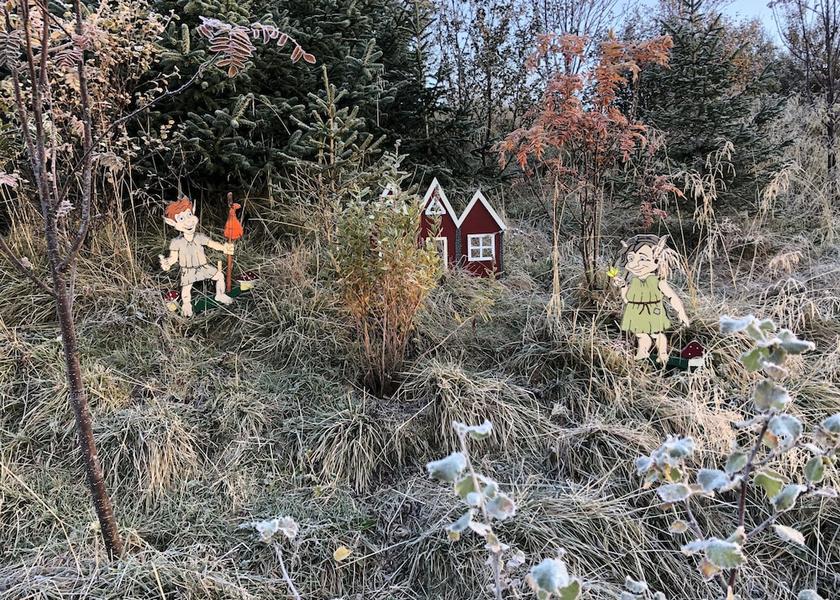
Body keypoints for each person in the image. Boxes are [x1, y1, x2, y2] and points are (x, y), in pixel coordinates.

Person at [612, 234, 690, 362]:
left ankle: (663, 354)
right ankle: (642, 352)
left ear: (657, 259)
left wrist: (681, 312)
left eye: (643, 259)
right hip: (635, 311)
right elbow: (627, 299)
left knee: (657, 333)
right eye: (631, 259)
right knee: (641, 334)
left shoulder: (658, 280)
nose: (635, 264)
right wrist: (623, 287)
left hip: (654, 310)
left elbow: (671, 295)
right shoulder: (634, 282)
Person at [159, 197, 234, 317]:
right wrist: (167, 263)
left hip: (203, 267)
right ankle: (186, 304)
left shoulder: (199, 237)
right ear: (173, 223)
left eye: (189, 214)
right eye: (182, 218)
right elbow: (173, 258)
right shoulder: (176, 242)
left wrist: (224, 248)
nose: (188, 221)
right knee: (186, 289)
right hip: (188, 270)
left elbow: (212, 244)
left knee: (219, 276)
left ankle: (220, 294)